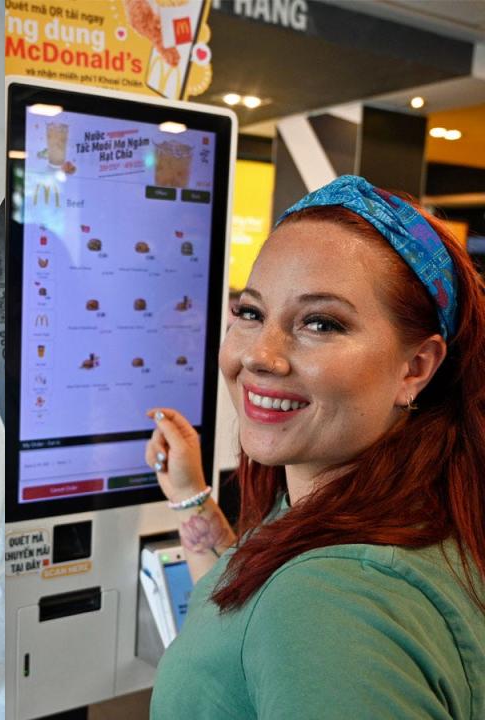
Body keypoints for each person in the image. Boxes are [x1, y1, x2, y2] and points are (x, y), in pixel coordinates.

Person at [145, 175, 485, 719]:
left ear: (416, 367)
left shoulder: (332, 601)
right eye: (251, 312)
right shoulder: (395, 515)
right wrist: (191, 497)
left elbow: (302, 613)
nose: (262, 356)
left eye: (321, 323)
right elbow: (248, 610)